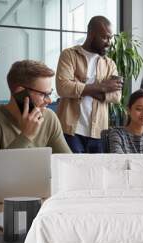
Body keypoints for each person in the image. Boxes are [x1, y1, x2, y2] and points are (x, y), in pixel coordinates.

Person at [55, 15, 122, 153]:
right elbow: (63, 87)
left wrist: (79, 87)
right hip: (70, 130)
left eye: (110, 38)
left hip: (98, 132)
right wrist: (103, 87)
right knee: (72, 172)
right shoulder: (69, 55)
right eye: (105, 37)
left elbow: (116, 96)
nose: (109, 42)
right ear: (91, 34)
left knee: (96, 173)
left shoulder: (109, 64)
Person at [0, 59, 71, 153]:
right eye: (43, 94)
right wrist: (26, 136)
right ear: (21, 93)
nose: (49, 101)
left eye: (50, 93)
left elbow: (69, 162)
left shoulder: (49, 117)